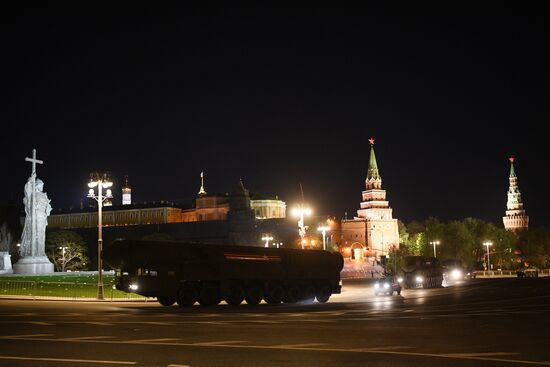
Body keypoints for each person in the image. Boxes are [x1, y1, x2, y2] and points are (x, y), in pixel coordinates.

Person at [20, 174, 52, 257]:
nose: (42, 187)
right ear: (37, 185)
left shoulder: (44, 195)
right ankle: (33, 252)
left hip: (42, 217)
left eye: (43, 185)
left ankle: (40, 252)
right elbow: (27, 190)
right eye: (41, 185)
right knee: (34, 234)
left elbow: (47, 207)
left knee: (41, 235)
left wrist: (48, 208)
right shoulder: (32, 194)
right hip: (34, 217)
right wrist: (31, 180)